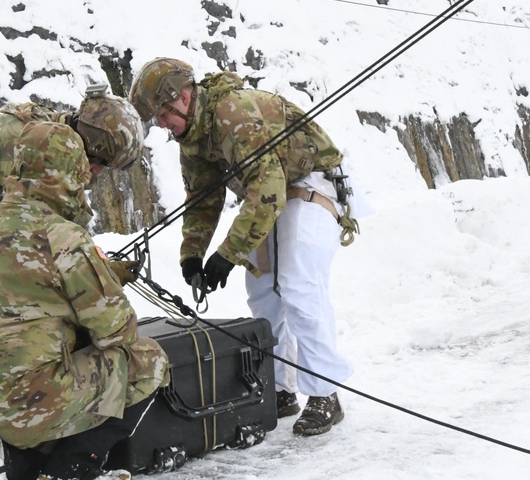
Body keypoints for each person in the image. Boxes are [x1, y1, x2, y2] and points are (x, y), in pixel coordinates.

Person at [128, 58, 358, 437]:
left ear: (184, 98)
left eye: (163, 116)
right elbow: (202, 198)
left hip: (312, 185)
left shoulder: (233, 112)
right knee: (263, 294)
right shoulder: (194, 136)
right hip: (272, 196)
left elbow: (268, 187)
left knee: (299, 286)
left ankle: (325, 394)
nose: (163, 126)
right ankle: (281, 389)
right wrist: (192, 254)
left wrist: (228, 254)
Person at [0, 121, 169, 480]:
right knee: (149, 360)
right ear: (73, 173)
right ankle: (70, 470)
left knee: (43, 372)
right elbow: (117, 331)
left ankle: (4, 457)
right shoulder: (63, 235)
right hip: (25, 402)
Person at [0, 85, 144, 347]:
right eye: (101, 164)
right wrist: (90, 275)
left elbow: (67, 219)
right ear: (93, 145)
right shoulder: (21, 146)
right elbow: (28, 231)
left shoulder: (64, 141)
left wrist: (96, 266)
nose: (98, 173)